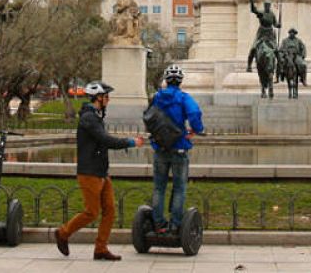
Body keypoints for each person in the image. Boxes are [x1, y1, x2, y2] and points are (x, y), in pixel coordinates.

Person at [53, 82, 144, 261]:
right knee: (92, 212)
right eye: (106, 97)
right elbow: (105, 140)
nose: (108, 100)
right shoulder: (89, 118)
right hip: (89, 172)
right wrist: (130, 142)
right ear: (98, 98)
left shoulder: (95, 116)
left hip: (101, 172)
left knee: (109, 211)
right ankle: (63, 233)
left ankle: (100, 248)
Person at [148, 64, 204, 234]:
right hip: (179, 147)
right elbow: (194, 113)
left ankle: (158, 224)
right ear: (180, 81)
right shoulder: (183, 97)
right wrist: (197, 129)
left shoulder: (157, 97)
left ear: (166, 80)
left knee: (159, 187)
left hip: (160, 147)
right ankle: (175, 224)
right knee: (179, 188)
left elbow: (149, 117)